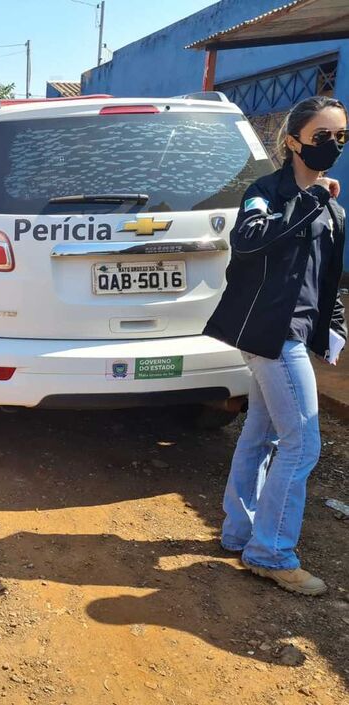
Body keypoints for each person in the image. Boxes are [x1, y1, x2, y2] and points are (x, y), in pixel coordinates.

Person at [204, 96, 347, 596]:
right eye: (322, 137)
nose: (333, 146)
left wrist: (334, 324)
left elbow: (324, 278)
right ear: (293, 142)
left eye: (341, 137)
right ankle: (271, 553)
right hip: (269, 333)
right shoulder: (264, 192)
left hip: (297, 333)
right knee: (303, 443)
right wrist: (309, 202)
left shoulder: (333, 208)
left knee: (261, 432)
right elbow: (248, 241)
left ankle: (240, 532)